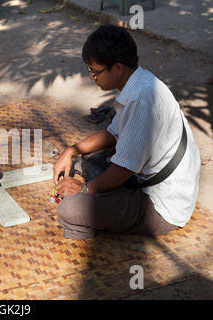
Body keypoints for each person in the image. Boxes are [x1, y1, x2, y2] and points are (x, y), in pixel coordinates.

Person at [53, 25, 201, 240]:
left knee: (70, 209)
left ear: (118, 68)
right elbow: (113, 133)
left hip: (162, 205)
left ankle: (96, 224)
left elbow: (123, 169)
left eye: (95, 71)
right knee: (83, 162)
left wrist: (84, 190)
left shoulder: (142, 99)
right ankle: (107, 202)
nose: (92, 77)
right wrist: (71, 150)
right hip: (143, 179)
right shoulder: (137, 83)